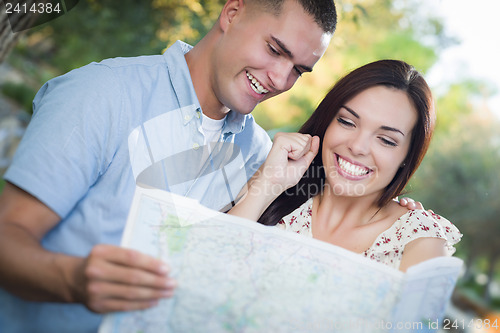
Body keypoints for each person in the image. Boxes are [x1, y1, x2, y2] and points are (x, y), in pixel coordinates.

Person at [0, 0, 337, 332]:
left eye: (298, 70)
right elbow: (8, 238)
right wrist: (74, 280)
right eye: (275, 50)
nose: (280, 79)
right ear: (232, 14)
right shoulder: (103, 93)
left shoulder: (259, 156)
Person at [229, 59, 462, 271]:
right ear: (327, 121)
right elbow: (208, 261)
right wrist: (268, 183)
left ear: (407, 157)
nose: (358, 146)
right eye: (347, 122)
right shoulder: (275, 190)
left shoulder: (419, 239)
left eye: (386, 140)